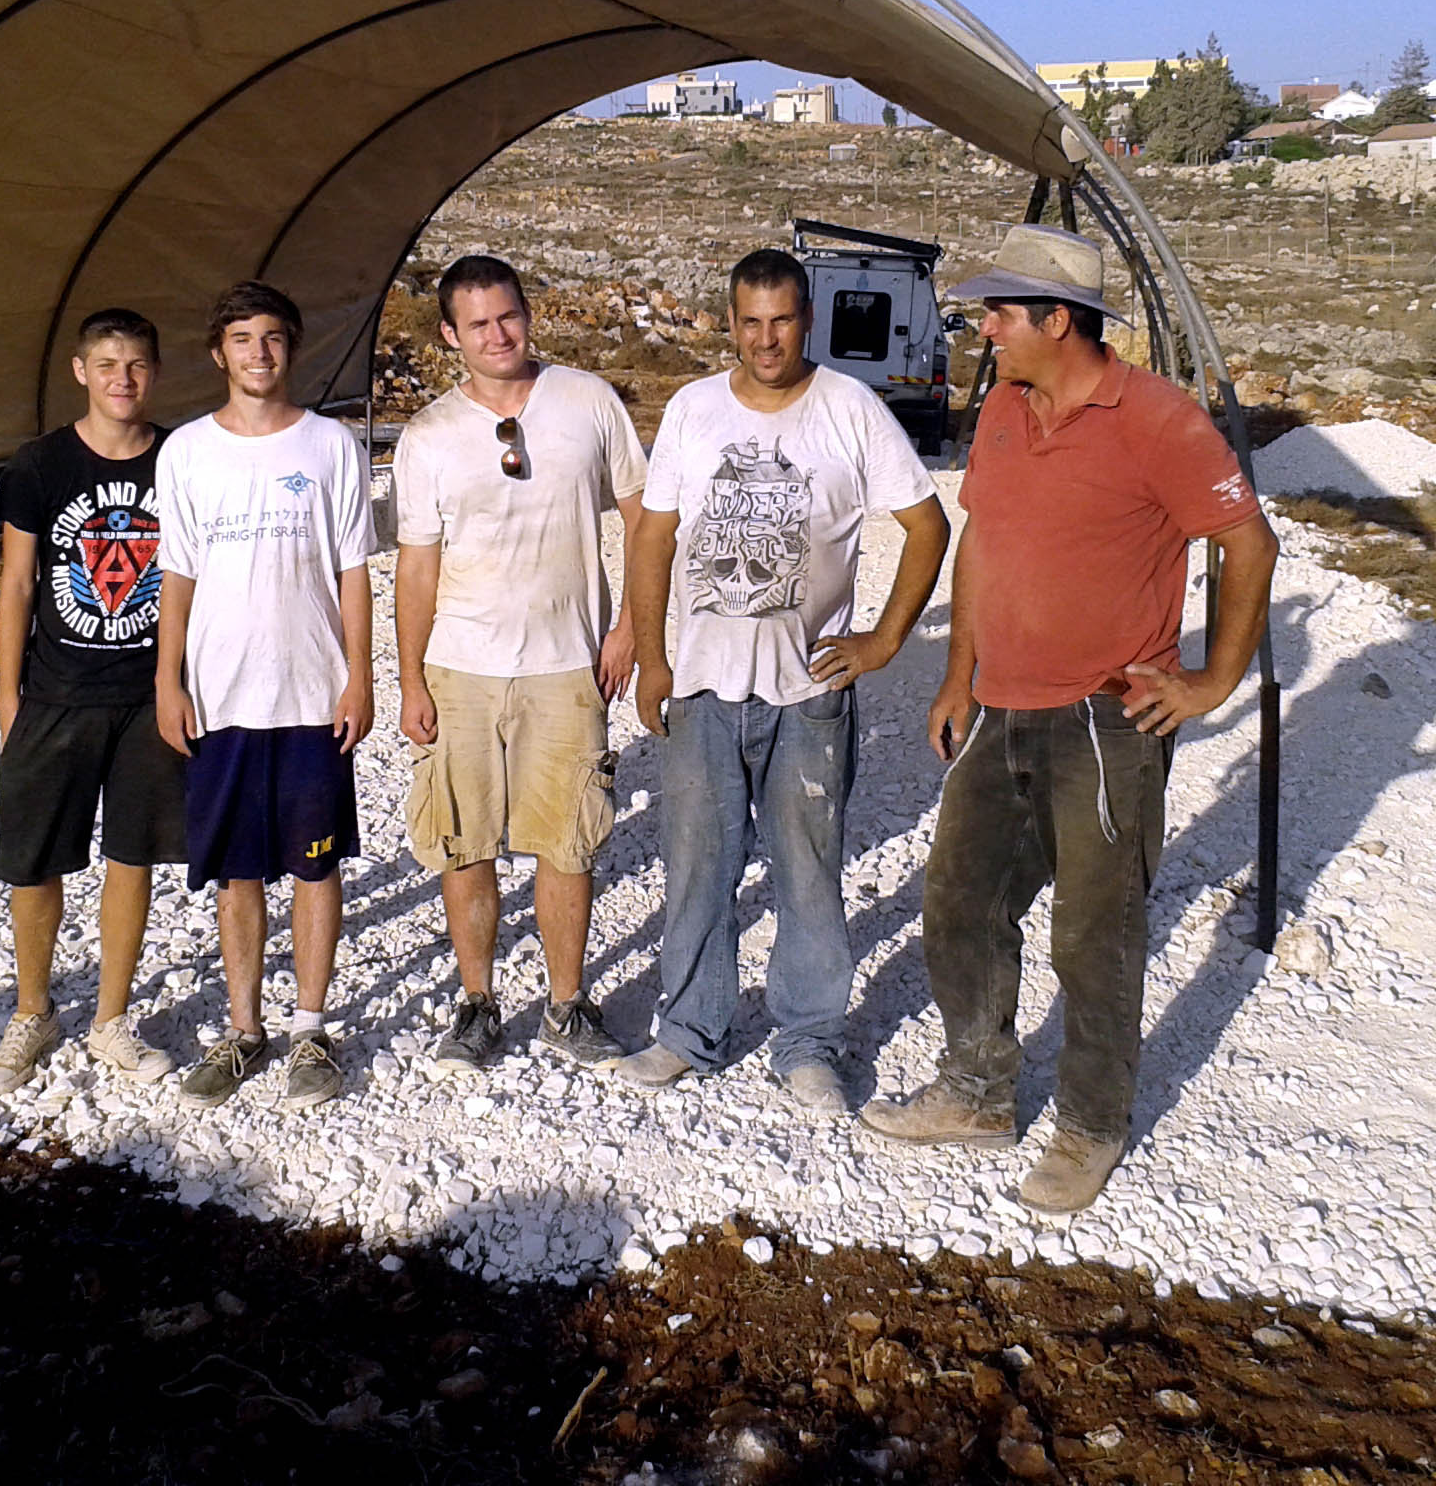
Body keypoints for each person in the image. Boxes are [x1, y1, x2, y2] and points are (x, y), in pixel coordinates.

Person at [861, 224, 1277, 1214]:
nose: (984, 328)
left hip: (1105, 719)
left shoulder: (1159, 419)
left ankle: (1091, 1127)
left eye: (1000, 312)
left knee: (1093, 936)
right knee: (960, 903)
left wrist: (1213, 682)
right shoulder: (1005, 407)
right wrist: (958, 673)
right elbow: (985, 546)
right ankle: (976, 1094)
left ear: (1058, 318)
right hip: (999, 706)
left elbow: (1247, 544)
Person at [623, 249, 950, 1109]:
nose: (767, 340)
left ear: (808, 319)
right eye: (750, 322)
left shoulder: (850, 409)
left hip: (808, 695)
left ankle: (808, 1043)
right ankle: (690, 1032)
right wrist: (654, 658)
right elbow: (653, 539)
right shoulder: (693, 410)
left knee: (809, 872)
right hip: (699, 688)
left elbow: (927, 526)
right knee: (696, 864)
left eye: (783, 320)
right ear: (729, 324)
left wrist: (882, 639)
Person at [394, 253, 647, 1070]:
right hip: (461, 668)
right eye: (477, 324)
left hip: (566, 663)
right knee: (464, 844)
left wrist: (633, 629)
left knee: (567, 839)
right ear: (449, 335)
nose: (498, 335)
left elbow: (648, 522)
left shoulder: (588, 402)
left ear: (526, 314)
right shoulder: (429, 434)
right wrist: (407, 679)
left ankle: (566, 1006)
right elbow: (418, 567)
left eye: (508, 316)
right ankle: (478, 1004)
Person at [155, 281, 376, 1111]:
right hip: (221, 699)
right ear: (218, 353)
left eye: (273, 337)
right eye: (242, 339)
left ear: (293, 346)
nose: (259, 353)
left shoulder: (329, 447)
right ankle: (245, 1032)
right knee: (237, 873)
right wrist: (166, 681)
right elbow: (177, 575)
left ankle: (310, 1029)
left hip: (312, 695)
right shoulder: (185, 452)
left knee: (316, 869)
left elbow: (354, 571)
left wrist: (361, 674)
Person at [0, 308, 182, 1095]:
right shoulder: (40, 466)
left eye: (135, 365)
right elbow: (20, 583)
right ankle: (33, 1011)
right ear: (80, 371)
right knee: (34, 858)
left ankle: (110, 1019)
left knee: (132, 855)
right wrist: (8, 696)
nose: (121, 380)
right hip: (56, 695)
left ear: (154, 372)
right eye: (106, 365)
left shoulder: (180, 461)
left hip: (145, 699)